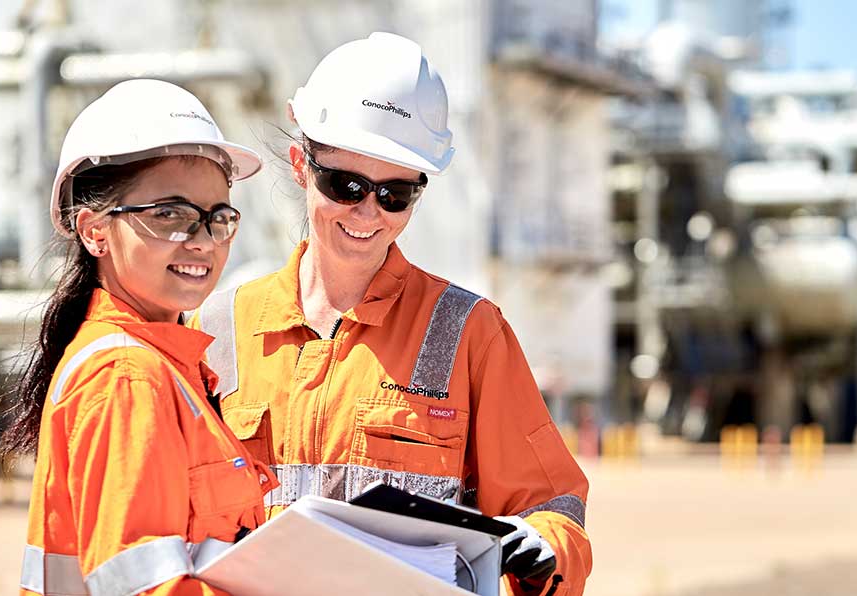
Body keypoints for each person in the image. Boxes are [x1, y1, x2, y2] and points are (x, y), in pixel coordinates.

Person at [194, 33, 591, 595]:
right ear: (300, 167)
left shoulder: (469, 332)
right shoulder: (216, 327)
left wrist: (545, 544)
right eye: (346, 185)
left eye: (394, 194)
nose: (367, 213)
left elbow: (550, 500)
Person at [1, 78, 276, 596]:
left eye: (217, 217)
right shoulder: (128, 377)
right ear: (94, 231)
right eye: (169, 214)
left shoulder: (169, 366)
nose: (202, 241)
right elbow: (145, 587)